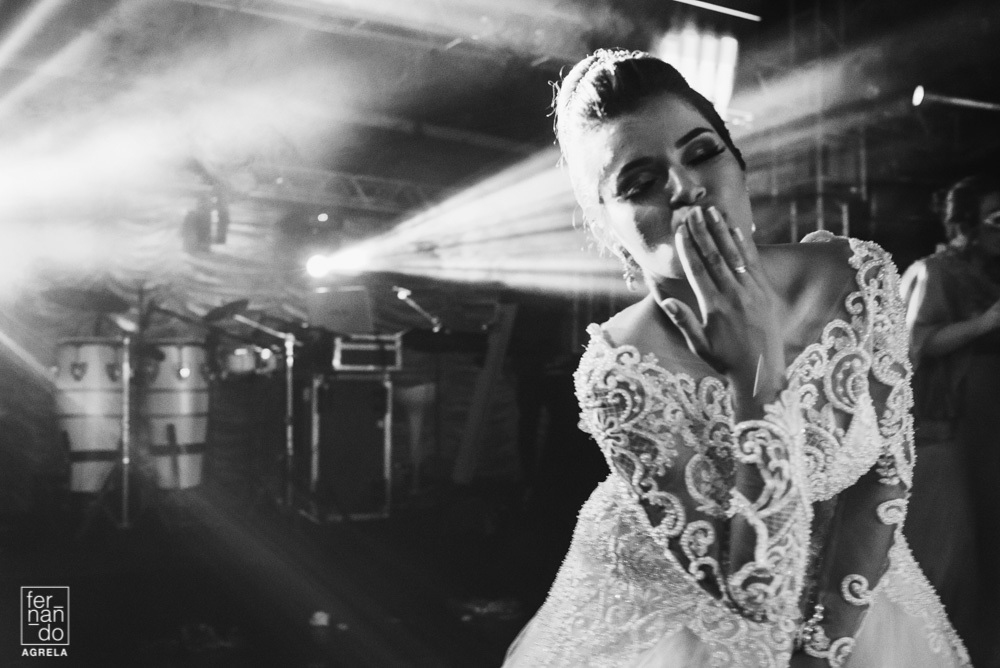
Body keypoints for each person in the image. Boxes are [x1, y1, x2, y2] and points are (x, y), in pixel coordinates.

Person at [501, 49, 970, 668]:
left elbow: (887, 471)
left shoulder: (856, 276)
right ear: (608, 226)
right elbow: (757, 599)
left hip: (855, 597)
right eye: (639, 183)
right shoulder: (620, 370)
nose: (686, 188)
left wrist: (828, 644)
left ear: (738, 163)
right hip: (675, 623)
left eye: (701, 153)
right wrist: (757, 369)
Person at [902, 173, 1000, 667]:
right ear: (964, 224)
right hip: (952, 432)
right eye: (997, 218)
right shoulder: (935, 271)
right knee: (953, 556)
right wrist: (986, 324)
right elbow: (913, 346)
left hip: (992, 426)